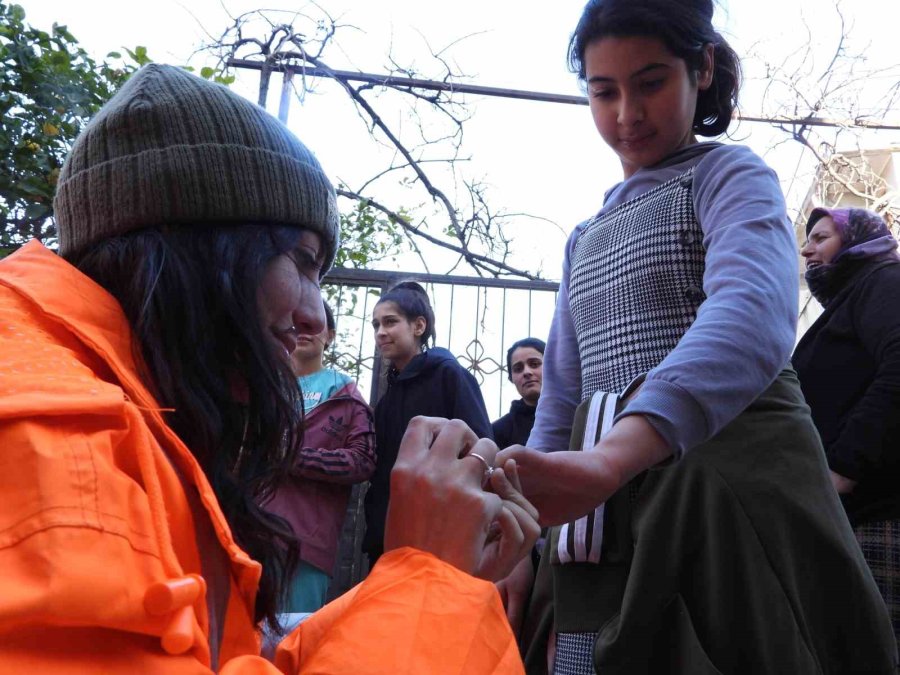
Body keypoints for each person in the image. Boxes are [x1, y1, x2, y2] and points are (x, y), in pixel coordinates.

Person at [0, 63, 539, 673]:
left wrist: (437, 574)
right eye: (303, 262)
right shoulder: (56, 440)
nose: (313, 317)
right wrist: (429, 580)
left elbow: (220, 656)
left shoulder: (121, 412)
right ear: (198, 241)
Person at [495, 1, 897, 673]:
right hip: (603, 519)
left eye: (650, 82)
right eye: (604, 91)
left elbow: (749, 314)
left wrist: (612, 457)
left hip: (723, 498)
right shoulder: (582, 238)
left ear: (702, 68)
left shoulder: (729, 176)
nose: (627, 113)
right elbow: (561, 401)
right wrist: (519, 528)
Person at [793, 206, 900, 642]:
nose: (807, 250)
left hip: (877, 518)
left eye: (821, 238)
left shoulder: (884, 281)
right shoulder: (851, 301)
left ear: (859, 240)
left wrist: (842, 469)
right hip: (846, 517)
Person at [363, 281, 494, 564]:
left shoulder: (449, 375)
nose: (380, 332)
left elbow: (481, 447)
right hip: (387, 535)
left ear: (418, 326)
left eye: (390, 322)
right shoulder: (387, 400)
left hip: (441, 533)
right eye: (375, 325)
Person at [263, 301, 375, 614]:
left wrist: (293, 457)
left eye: (315, 322)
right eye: (295, 322)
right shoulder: (264, 387)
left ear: (331, 335)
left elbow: (362, 460)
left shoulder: (343, 391)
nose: (303, 329)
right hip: (248, 535)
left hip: (305, 546)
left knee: (291, 636)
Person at [493, 337, 546, 449]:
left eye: (534, 364)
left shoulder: (575, 417)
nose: (526, 372)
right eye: (518, 369)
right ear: (511, 378)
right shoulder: (498, 431)